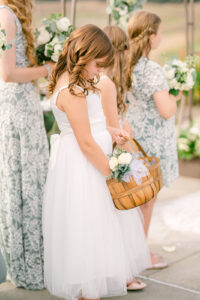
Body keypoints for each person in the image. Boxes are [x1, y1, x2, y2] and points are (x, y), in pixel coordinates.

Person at [43, 24, 151, 300]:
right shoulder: (72, 90)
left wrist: (113, 133)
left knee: (102, 222)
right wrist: (111, 172)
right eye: (99, 64)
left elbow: (92, 126)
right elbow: (86, 142)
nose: (101, 71)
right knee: (87, 221)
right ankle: (86, 287)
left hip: (91, 157)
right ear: (83, 54)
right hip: (86, 164)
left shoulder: (78, 82)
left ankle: (102, 277)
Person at [0, 0, 52, 289]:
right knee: (25, 182)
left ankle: (35, 259)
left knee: (31, 181)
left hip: (24, 106)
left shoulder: (9, 15)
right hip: (17, 110)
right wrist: (46, 69)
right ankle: (28, 264)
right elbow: (7, 74)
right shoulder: (5, 16)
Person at [125, 11, 182, 267]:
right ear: (150, 37)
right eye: (158, 32)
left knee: (136, 200)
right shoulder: (152, 69)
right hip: (151, 143)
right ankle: (140, 255)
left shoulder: (124, 63)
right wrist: (176, 95)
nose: (160, 37)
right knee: (147, 201)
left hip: (132, 138)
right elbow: (166, 110)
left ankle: (135, 250)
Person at [97, 25, 151, 290]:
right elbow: (113, 123)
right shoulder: (108, 82)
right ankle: (123, 274)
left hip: (111, 142)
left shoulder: (104, 79)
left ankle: (119, 271)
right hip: (115, 147)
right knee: (120, 213)